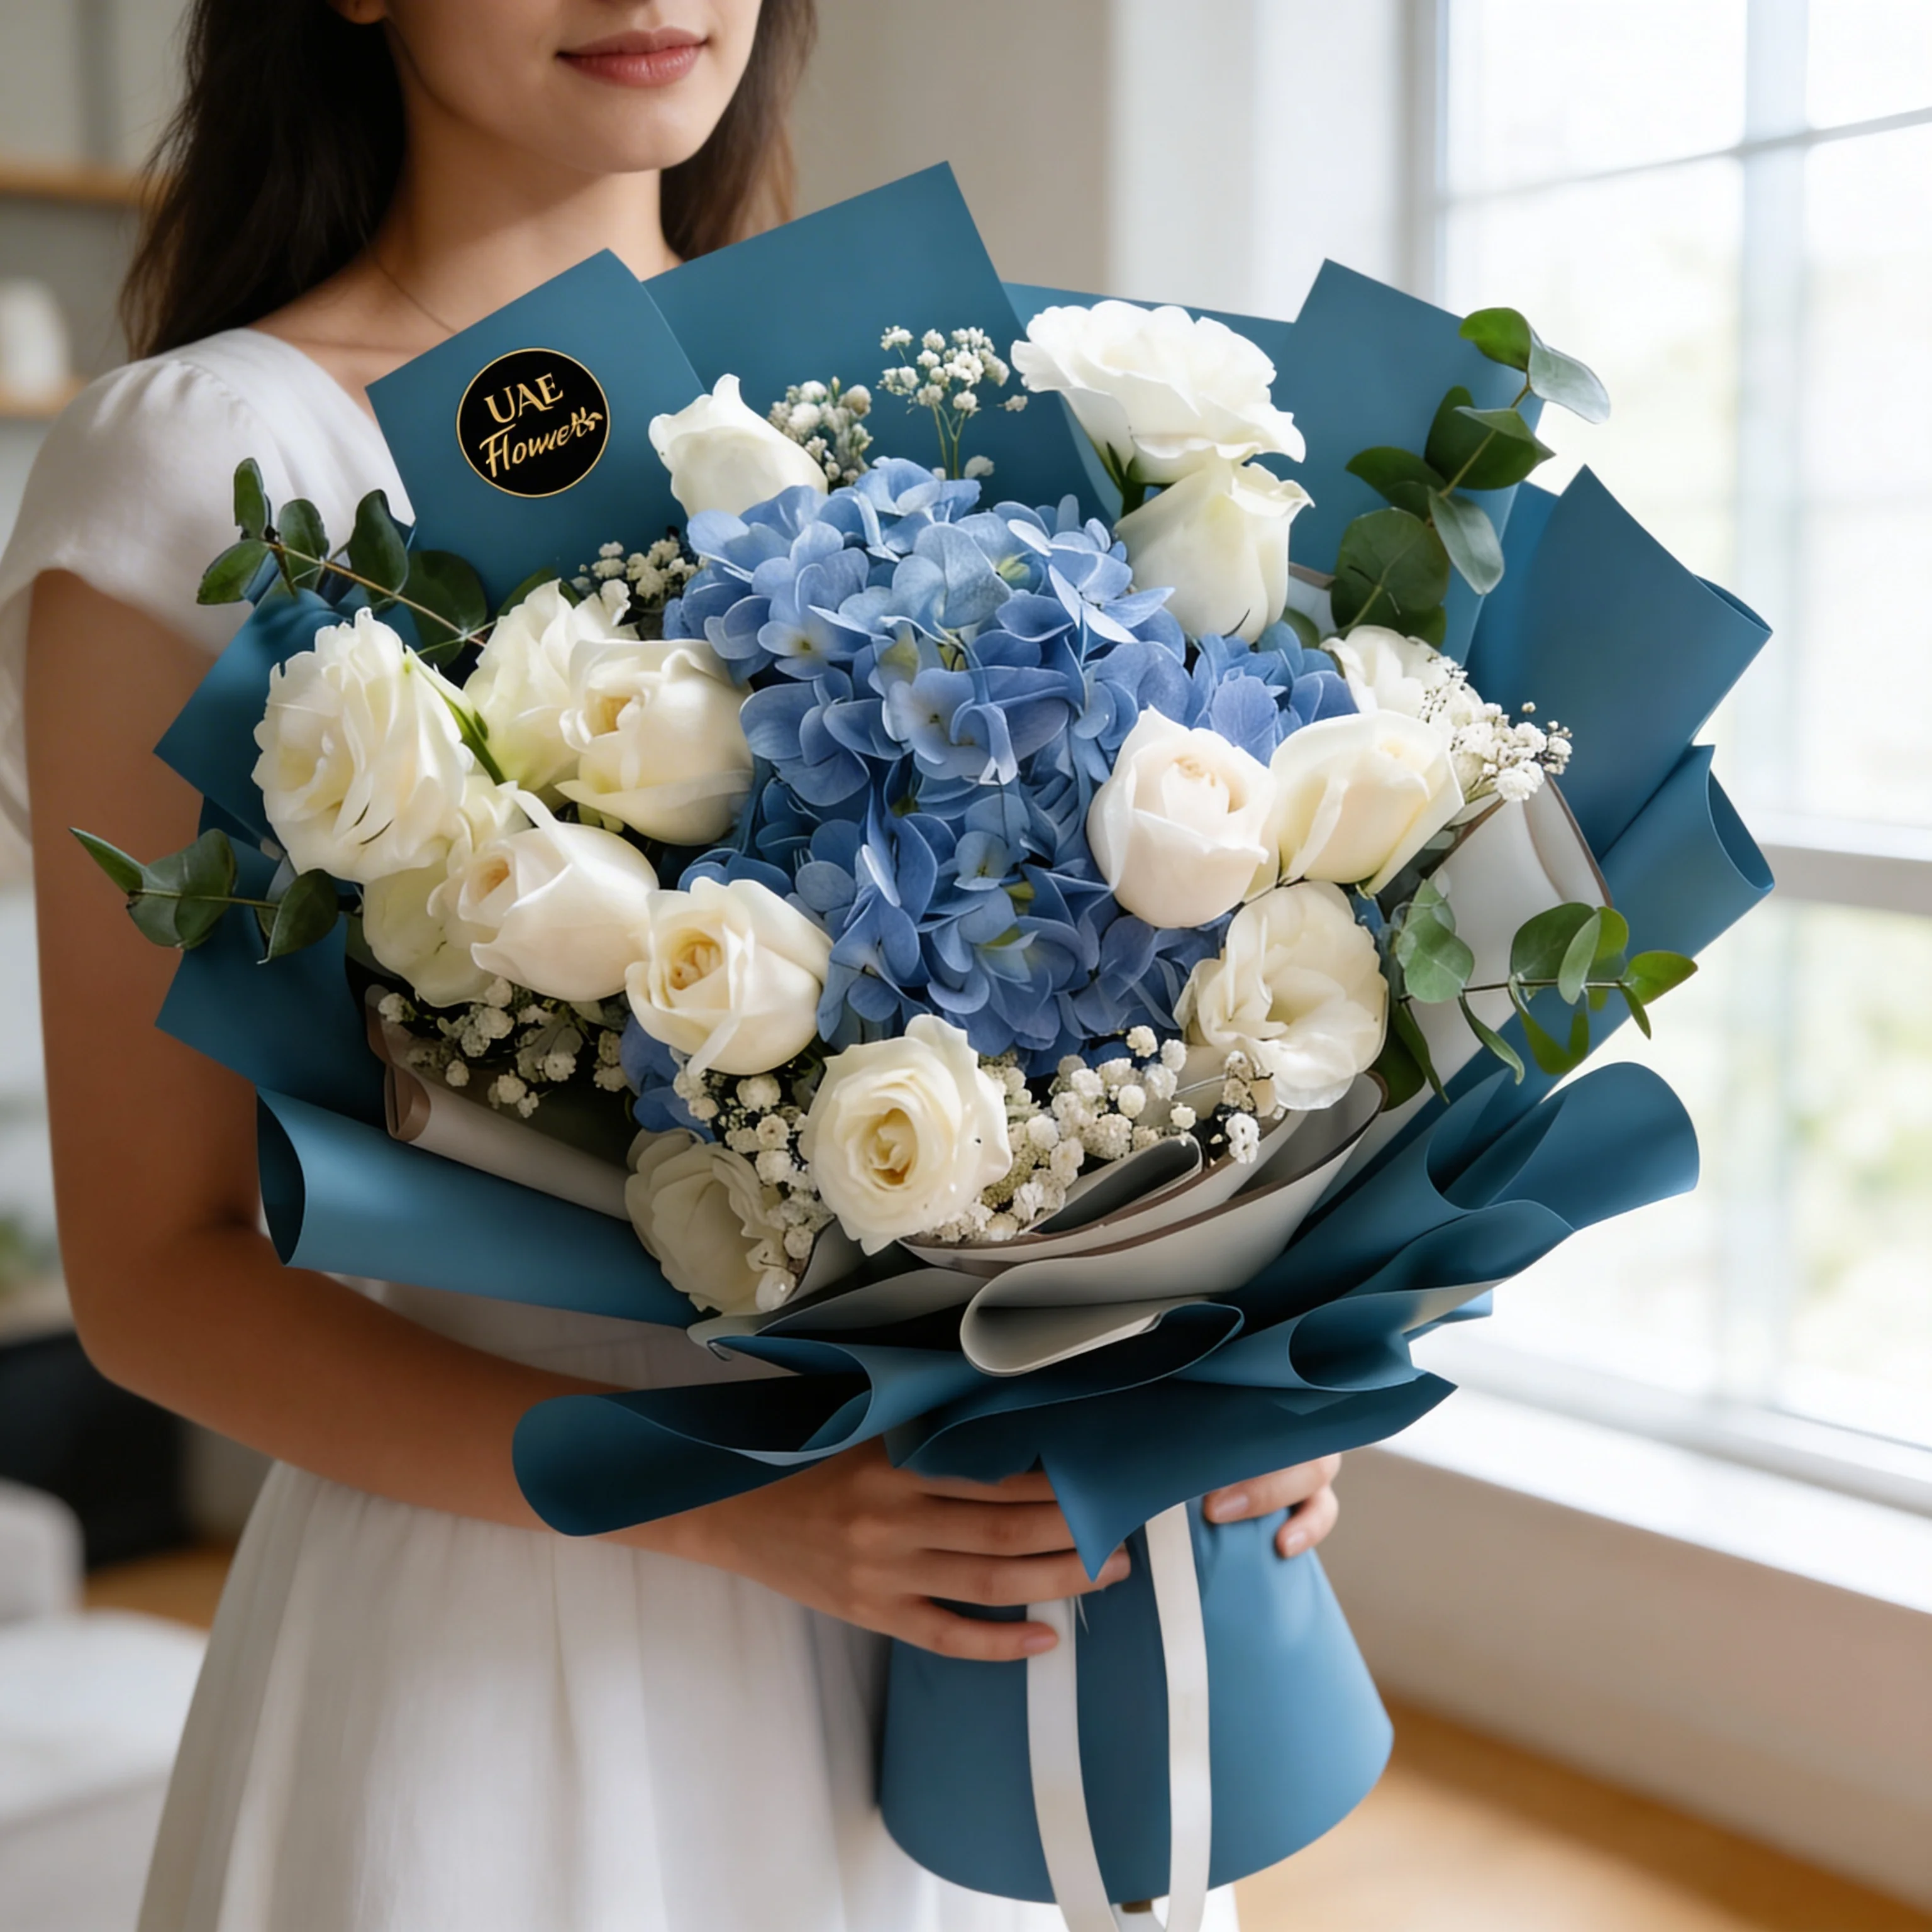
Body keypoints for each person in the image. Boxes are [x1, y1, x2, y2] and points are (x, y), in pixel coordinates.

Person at [0, 4, 1343, 1928]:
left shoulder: (925, 387)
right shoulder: (215, 468)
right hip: (535, 1639)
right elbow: (156, 1276)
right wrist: (744, 1506)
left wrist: (1251, 1387)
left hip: (1006, 1611)